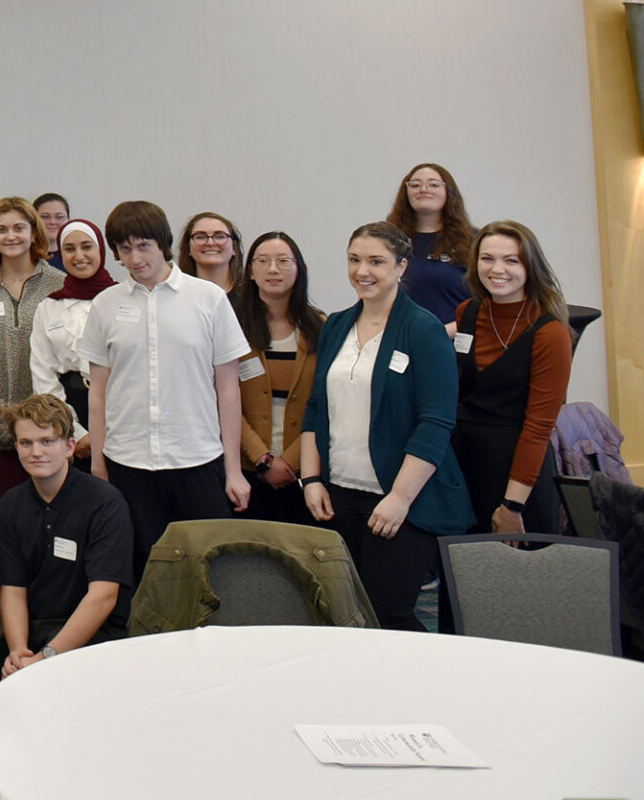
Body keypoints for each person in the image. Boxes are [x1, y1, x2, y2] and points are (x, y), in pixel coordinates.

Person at [302, 223, 475, 632]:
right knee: (343, 614)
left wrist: (399, 498)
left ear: (401, 267)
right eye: (354, 260)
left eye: (376, 262)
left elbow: (435, 424)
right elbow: (314, 408)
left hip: (402, 500)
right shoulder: (336, 325)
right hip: (338, 493)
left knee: (388, 614)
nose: (363, 271)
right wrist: (310, 478)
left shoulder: (424, 328)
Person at [84, 200, 253, 568]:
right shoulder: (105, 305)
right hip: (128, 461)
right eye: (124, 249)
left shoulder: (208, 299)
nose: (135, 258)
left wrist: (234, 469)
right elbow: (98, 393)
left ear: (164, 244)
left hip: (197, 456)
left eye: (143, 245)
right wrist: (98, 461)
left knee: (207, 566)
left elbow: (228, 389)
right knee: (143, 567)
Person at [0, 394, 133, 686]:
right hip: (34, 631)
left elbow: (103, 596)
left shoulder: (105, 503)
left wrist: (46, 658)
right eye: (26, 443)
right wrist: (18, 650)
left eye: (47, 441)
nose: (36, 452)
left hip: (96, 636)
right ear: (16, 447)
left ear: (69, 447)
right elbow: (13, 589)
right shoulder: (11, 505)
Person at [454, 220, 574, 535]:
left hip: (517, 473)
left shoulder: (550, 333)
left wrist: (512, 506)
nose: (497, 269)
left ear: (529, 267)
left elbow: (537, 429)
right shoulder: (467, 312)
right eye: (487, 258)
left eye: (511, 260)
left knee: (518, 580)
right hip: (464, 465)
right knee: (462, 577)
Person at [0, 197, 67, 491]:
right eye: (1, 229)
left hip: (52, 432)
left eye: (19, 228)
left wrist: (49, 426)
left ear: (34, 233)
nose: (10, 236)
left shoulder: (59, 285)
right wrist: (6, 425)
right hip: (0, 435)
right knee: (12, 516)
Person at [231, 232, 325, 525]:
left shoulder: (321, 326)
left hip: (305, 470)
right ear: (251, 271)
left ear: (300, 269)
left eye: (283, 261)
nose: (273, 269)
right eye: (263, 261)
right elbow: (222, 399)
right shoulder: (231, 325)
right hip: (245, 469)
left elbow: (324, 401)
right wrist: (263, 460)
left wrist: (290, 462)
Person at [27, 218, 111, 450]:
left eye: (86, 246)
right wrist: (74, 430)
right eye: (69, 249)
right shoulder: (49, 307)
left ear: (101, 250)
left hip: (119, 410)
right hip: (67, 409)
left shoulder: (121, 300)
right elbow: (43, 374)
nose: (79, 256)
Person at [389, 162, 478, 327]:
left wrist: (443, 333)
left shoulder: (474, 241)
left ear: (448, 192)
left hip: (457, 341)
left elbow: (486, 301)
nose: (423, 189)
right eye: (415, 185)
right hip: (403, 341)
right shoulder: (389, 240)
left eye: (433, 185)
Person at [178, 211, 242, 293]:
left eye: (220, 237)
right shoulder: (176, 296)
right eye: (200, 237)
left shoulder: (251, 296)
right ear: (188, 248)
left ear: (234, 248)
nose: (210, 243)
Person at [33, 193, 71, 269]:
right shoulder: (24, 257)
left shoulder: (74, 256)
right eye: (45, 216)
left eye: (60, 216)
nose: (52, 222)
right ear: (33, 220)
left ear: (68, 220)